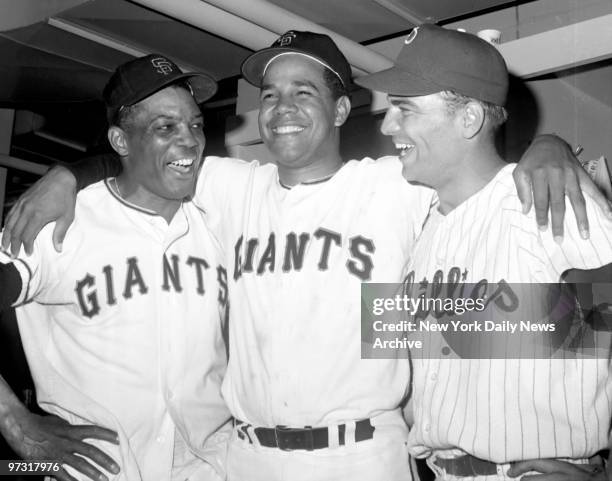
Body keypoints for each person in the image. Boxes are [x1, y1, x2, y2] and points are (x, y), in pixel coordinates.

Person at [1, 31, 609, 481]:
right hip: (245, 458)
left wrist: (546, 149)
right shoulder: (231, 188)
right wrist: (64, 174)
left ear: (341, 109)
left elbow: (580, 320)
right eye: (269, 93)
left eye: (304, 91)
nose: (281, 106)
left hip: (364, 455)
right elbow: (146, 158)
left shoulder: (396, 187)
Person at [356, 23, 612, 481]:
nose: (387, 125)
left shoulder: (547, 199)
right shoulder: (424, 226)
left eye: (405, 110)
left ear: (469, 118)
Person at [0, 54, 230, 481]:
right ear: (121, 142)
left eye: (195, 124)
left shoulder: (220, 215)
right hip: (98, 471)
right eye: (166, 127)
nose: (190, 141)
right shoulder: (63, 222)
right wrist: (15, 422)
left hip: (211, 467)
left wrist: (69, 172)